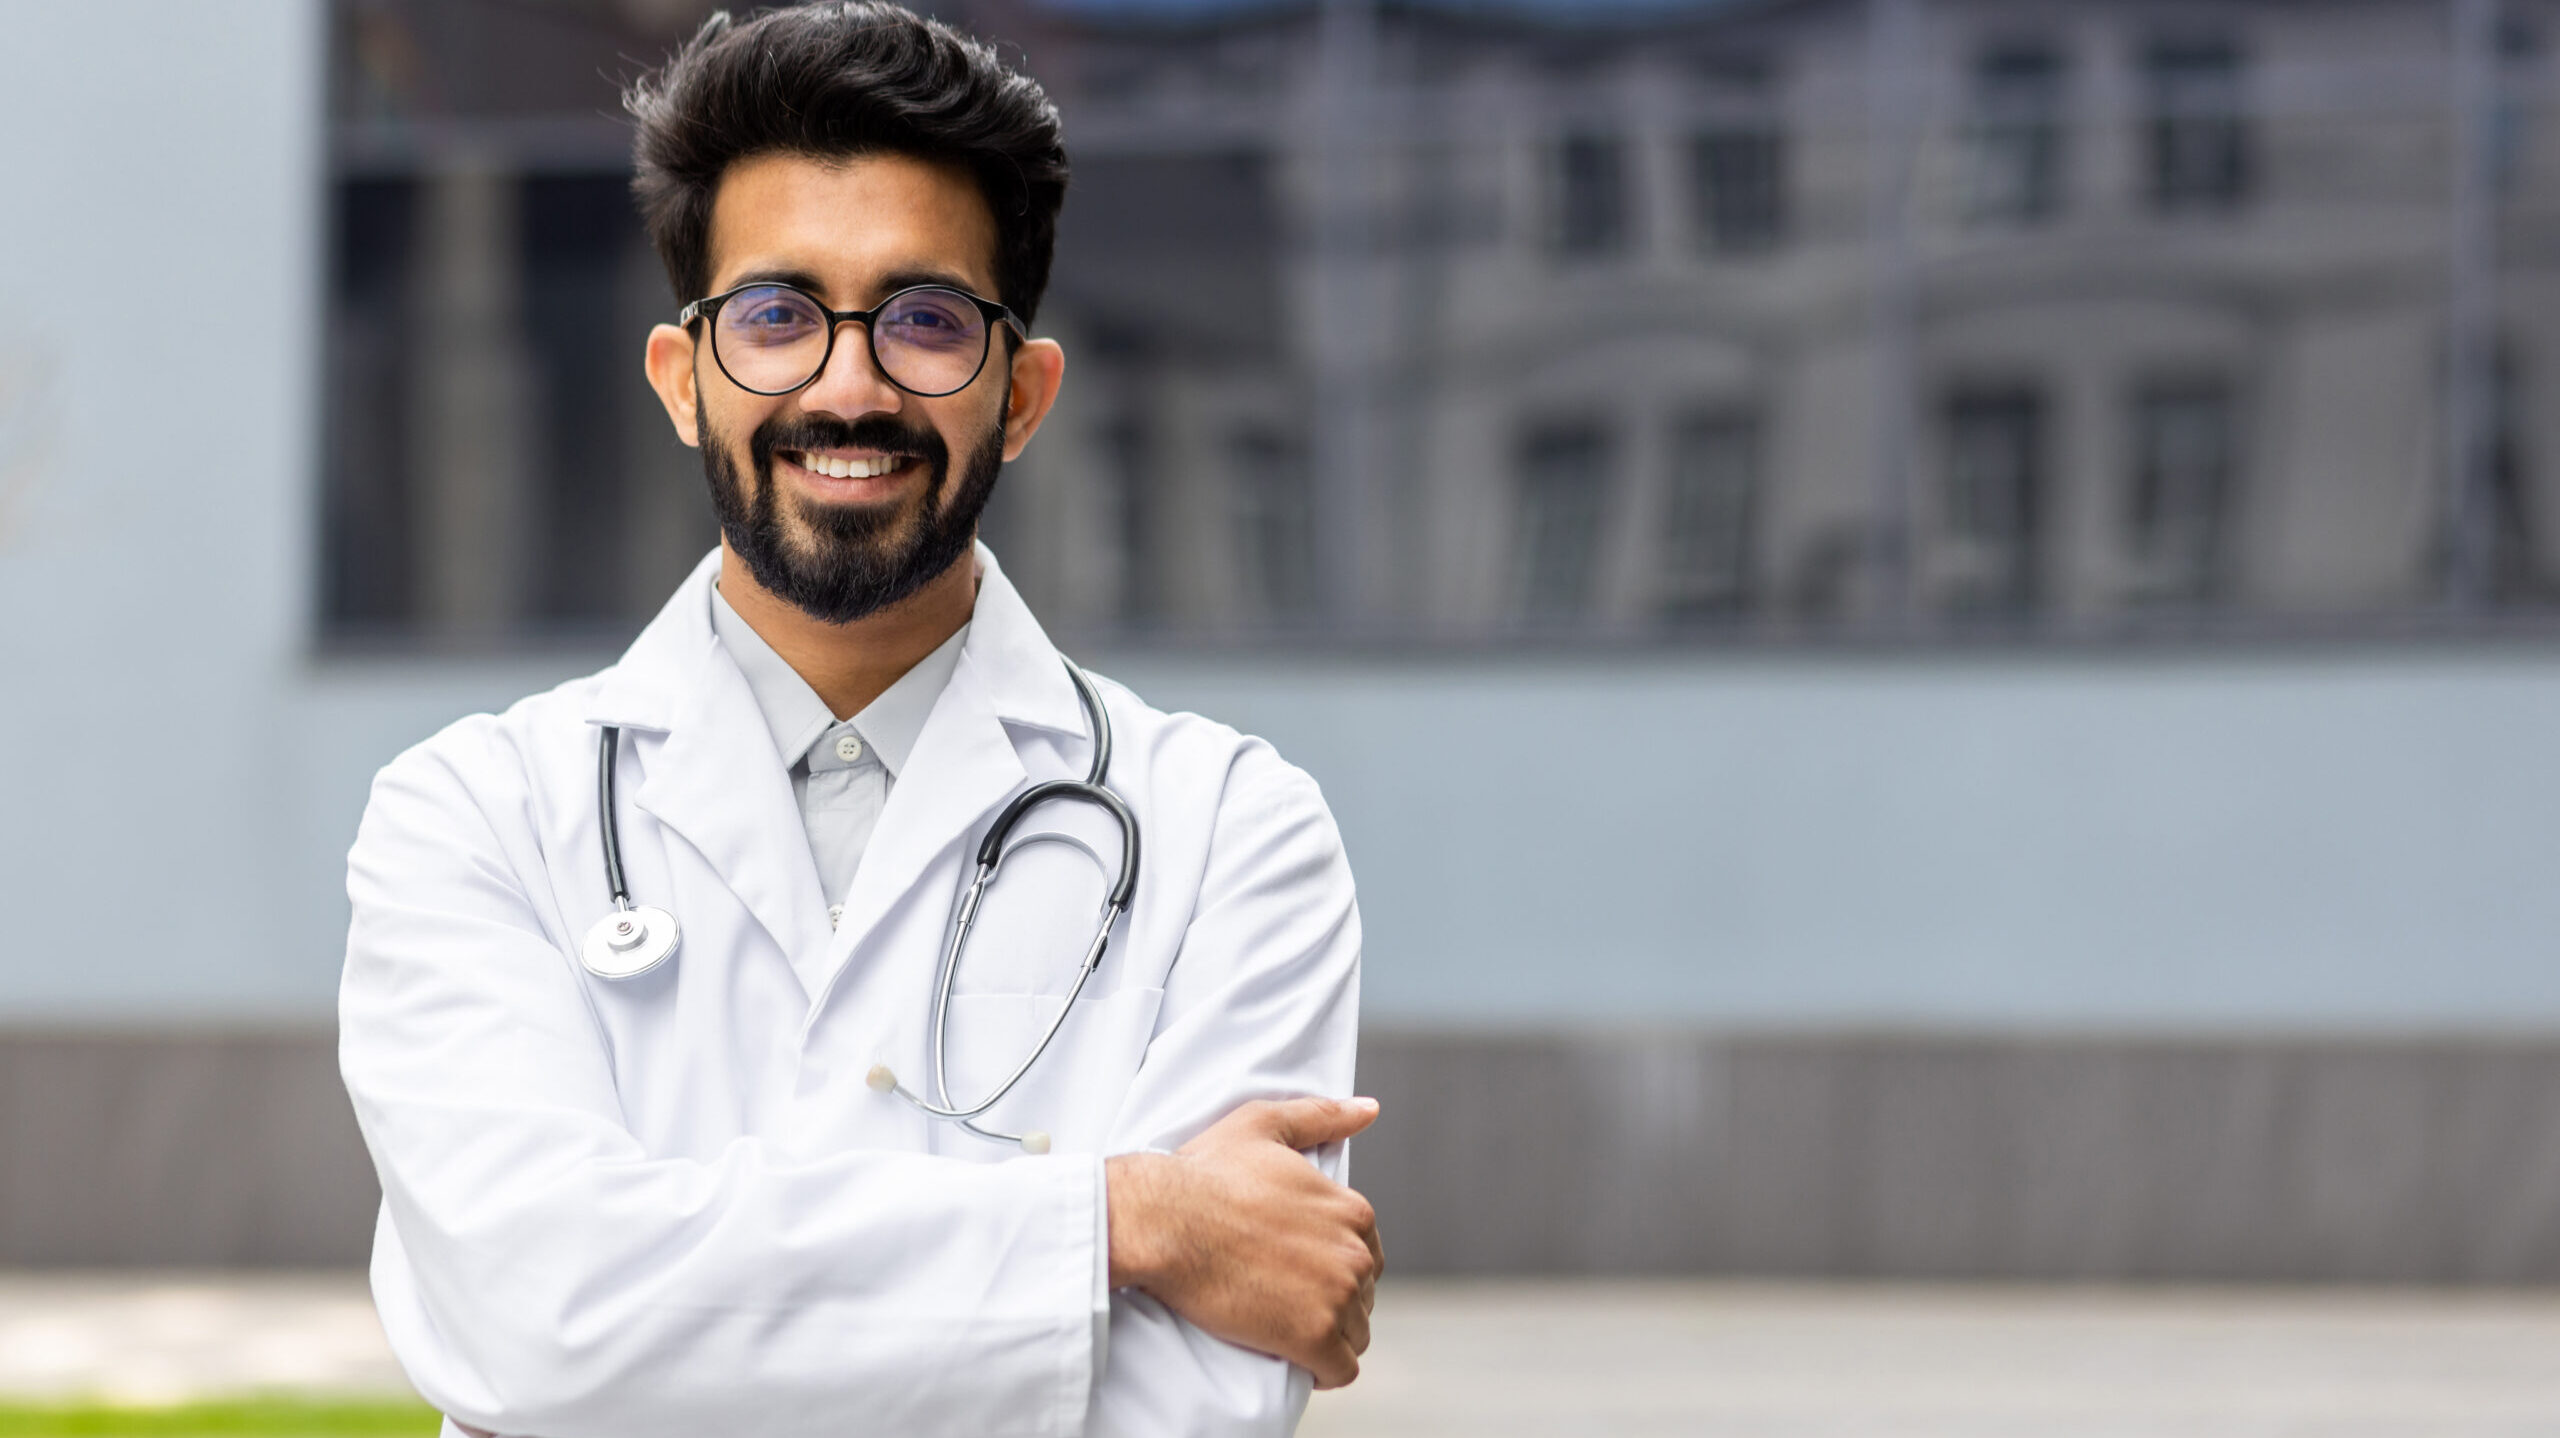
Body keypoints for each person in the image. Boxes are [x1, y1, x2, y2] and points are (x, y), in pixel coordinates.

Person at [335, 6, 1379, 1435]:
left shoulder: (1231, 833)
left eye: (926, 319)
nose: (847, 383)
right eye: (775, 314)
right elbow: (541, 1315)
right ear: (682, 380)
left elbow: (1192, 1399)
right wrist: (1121, 1221)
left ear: (1021, 395)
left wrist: (693, 1306)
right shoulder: (470, 816)